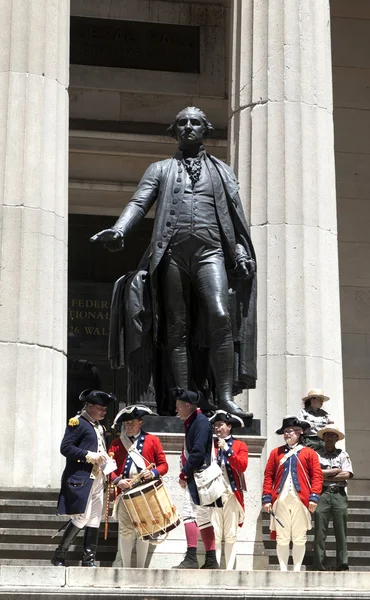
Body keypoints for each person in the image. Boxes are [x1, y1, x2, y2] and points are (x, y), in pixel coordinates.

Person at [91, 106, 257, 417]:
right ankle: (185, 400)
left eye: (195, 122)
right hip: (171, 254)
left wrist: (241, 252)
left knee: (220, 315)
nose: (188, 127)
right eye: (182, 123)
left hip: (211, 253)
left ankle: (223, 396)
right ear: (174, 131)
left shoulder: (222, 171)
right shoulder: (160, 169)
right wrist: (119, 229)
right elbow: (139, 201)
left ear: (205, 129)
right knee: (176, 329)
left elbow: (233, 219)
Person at [52, 389, 116, 567]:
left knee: (95, 518)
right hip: (83, 478)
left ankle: (89, 560)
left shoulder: (98, 426)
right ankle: (59, 555)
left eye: (105, 409)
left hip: (97, 478)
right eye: (101, 408)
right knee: (82, 517)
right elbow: (66, 448)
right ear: (89, 406)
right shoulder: (77, 423)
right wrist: (90, 455)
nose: (104, 412)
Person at [108, 405, 168, 568]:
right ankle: (126, 568)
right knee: (125, 531)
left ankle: (140, 568)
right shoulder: (116, 444)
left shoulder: (152, 440)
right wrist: (117, 481)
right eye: (127, 423)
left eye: (133, 422)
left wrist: (153, 473)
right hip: (125, 493)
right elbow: (108, 469)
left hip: (145, 492)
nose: (129, 426)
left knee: (145, 531)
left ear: (140, 422)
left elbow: (163, 465)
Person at [262, 416, 323, 571]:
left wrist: (314, 496)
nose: (287, 434)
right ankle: (283, 569)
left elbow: (317, 476)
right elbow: (268, 476)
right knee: (282, 537)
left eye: (290, 431)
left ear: (299, 432)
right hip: (280, 499)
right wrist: (267, 498)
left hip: (301, 500)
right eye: (285, 432)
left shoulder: (309, 453)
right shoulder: (276, 453)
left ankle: (296, 569)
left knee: (299, 537)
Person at [172, 387, 220, 569]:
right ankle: (211, 560)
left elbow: (198, 452)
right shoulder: (196, 421)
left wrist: (184, 473)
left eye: (178, 406)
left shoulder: (199, 422)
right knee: (204, 518)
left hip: (198, 476)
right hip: (199, 476)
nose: (176, 410)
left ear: (187, 405)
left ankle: (192, 558)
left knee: (190, 515)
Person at [208, 410, 248, 569]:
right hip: (213, 494)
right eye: (215, 425)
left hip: (231, 493)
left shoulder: (240, 445)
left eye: (220, 425)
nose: (217, 428)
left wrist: (227, 450)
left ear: (229, 426)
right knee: (216, 533)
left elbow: (242, 466)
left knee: (231, 533)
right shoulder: (209, 445)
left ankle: (229, 569)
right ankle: (216, 568)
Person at [313, 424, 354, 572]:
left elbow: (347, 474)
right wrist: (336, 472)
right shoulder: (316, 454)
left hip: (339, 494)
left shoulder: (343, 454)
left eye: (333, 435)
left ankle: (342, 564)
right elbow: (314, 474)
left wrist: (326, 473)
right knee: (319, 531)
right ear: (323, 437)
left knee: (341, 531)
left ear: (337, 438)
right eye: (327, 435)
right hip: (322, 494)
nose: (330, 437)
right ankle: (318, 564)